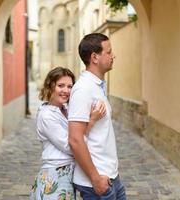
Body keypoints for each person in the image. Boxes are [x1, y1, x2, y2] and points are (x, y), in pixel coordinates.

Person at [30, 67, 106, 200]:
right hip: (55, 176)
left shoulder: (65, 109)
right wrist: (92, 120)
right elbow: (71, 146)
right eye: (61, 86)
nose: (66, 91)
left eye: (70, 86)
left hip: (68, 174)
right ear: (50, 86)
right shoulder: (47, 115)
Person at [68, 33, 126, 199]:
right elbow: (75, 139)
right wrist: (96, 179)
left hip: (111, 177)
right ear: (94, 57)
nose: (113, 55)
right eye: (108, 52)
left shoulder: (97, 86)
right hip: (97, 183)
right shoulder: (83, 89)